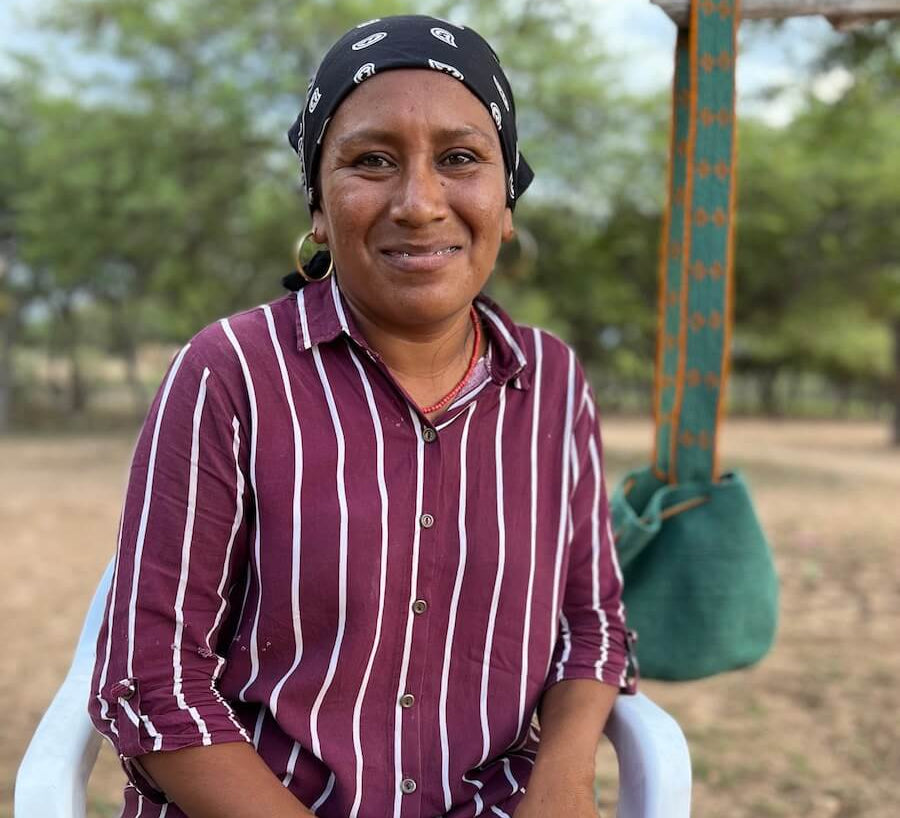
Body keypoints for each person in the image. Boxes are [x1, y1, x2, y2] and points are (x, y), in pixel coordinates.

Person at [88, 15, 634, 818]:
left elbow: (593, 624)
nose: (419, 203)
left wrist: (563, 782)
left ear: (506, 199)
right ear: (317, 206)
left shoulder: (553, 381)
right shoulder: (230, 372)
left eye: (460, 159)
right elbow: (152, 679)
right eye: (372, 161)